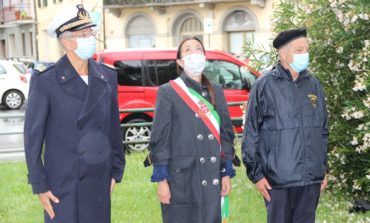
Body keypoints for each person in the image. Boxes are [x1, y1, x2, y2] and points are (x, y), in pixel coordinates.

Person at [24, 4, 125, 223]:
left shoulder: (106, 77)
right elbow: (32, 139)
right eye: (84, 34)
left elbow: (113, 128)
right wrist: (40, 185)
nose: (91, 38)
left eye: (91, 33)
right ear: (66, 41)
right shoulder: (46, 81)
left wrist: (116, 169)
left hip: (98, 180)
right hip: (62, 185)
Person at [242, 28, 329, 223]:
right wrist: (256, 174)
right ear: (283, 53)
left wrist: (323, 169)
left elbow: (322, 130)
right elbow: (251, 132)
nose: (305, 54)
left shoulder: (314, 84)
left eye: (307, 49)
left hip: (310, 179)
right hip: (278, 180)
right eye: (299, 50)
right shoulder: (264, 85)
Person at [147, 37, 236, 223]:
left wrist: (226, 172)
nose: (194, 53)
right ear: (179, 61)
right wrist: (162, 180)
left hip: (212, 175)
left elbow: (226, 134)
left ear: (204, 57)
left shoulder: (216, 90)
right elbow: (159, 139)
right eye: (187, 50)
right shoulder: (168, 92)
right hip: (183, 178)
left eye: (198, 49)